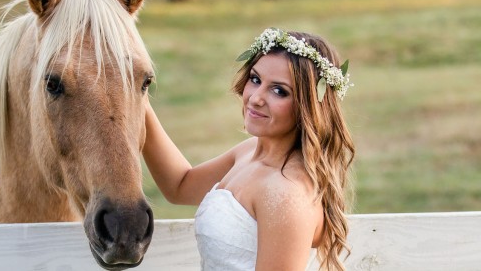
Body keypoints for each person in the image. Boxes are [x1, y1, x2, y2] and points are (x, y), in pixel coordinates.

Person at [143, 28, 355, 271]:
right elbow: (179, 187)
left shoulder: (286, 194)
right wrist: (138, 100)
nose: (256, 98)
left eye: (279, 91)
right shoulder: (248, 152)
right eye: (255, 79)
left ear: (308, 106)